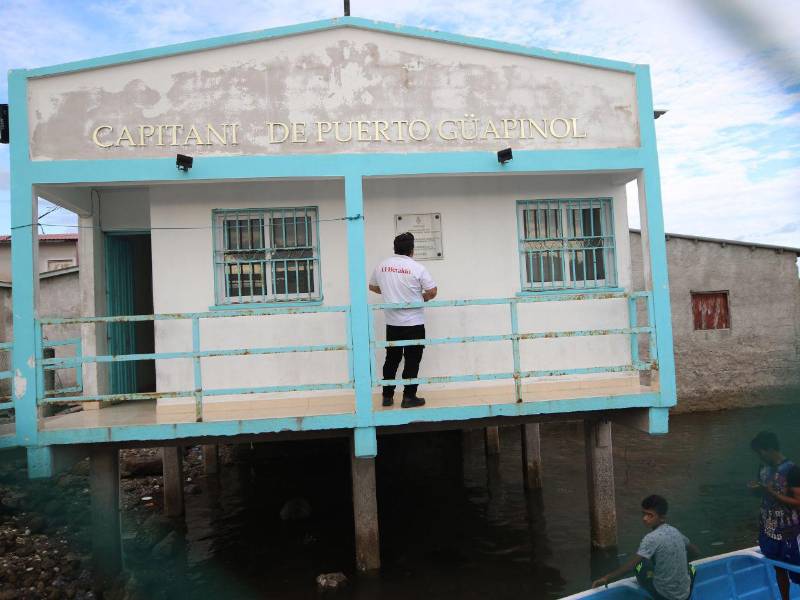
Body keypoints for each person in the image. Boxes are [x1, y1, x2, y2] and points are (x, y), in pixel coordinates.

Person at [368, 232, 437, 408]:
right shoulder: (417, 268)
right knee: (412, 360)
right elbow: (432, 291)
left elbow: (372, 286)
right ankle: (409, 397)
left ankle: (387, 396)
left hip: (392, 324)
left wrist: (390, 293)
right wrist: (421, 298)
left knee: (392, 359)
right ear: (412, 249)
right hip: (414, 323)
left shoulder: (382, 266)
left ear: (395, 248)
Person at [592, 495, 699, 600]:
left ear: (662, 518)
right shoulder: (676, 531)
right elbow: (695, 552)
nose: (644, 518)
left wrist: (606, 578)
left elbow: (631, 566)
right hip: (686, 595)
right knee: (690, 569)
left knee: (641, 565)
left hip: (664, 596)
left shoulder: (651, 538)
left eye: (650, 515)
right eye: (644, 514)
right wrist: (678, 566)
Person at [749, 430, 800, 600]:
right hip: (770, 531)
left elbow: (798, 502)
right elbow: (764, 493)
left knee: (797, 571)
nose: (760, 456)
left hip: (790, 534)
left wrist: (772, 493)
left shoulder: (792, 471)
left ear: (770, 449)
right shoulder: (763, 468)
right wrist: (756, 490)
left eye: (761, 452)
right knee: (778, 567)